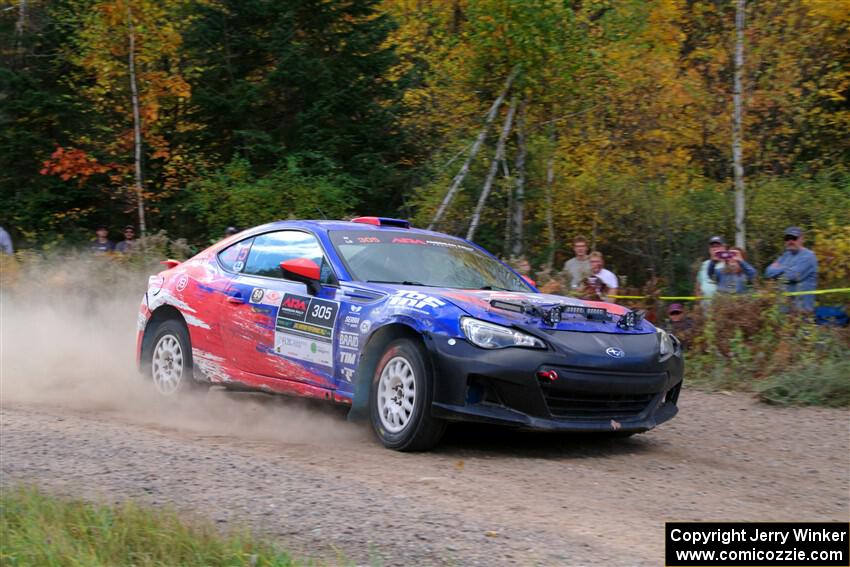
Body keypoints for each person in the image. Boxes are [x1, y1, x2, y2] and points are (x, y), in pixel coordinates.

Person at [765, 227, 818, 312]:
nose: (790, 241)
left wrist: (779, 270)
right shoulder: (785, 255)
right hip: (783, 310)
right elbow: (768, 272)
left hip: (801, 312)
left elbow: (792, 276)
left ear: (802, 239)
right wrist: (786, 269)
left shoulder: (809, 256)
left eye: (794, 238)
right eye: (787, 238)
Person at [695, 236, 726, 302]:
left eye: (718, 246)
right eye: (713, 247)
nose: (715, 249)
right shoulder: (703, 265)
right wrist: (698, 303)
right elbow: (698, 287)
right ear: (709, 250)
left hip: (724, 308)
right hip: (706, 310)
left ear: (724, 248)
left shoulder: (729, 264)